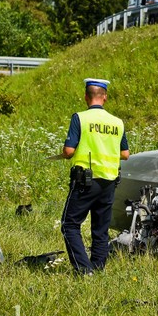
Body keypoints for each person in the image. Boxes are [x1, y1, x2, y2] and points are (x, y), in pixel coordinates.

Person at [60, 78, 129, 275]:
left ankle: (84, 270)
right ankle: (98, 268)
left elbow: (69, 150)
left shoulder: (80, 118)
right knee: (101, 228)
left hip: (85, 181)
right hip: (109, 181)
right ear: (105, 97)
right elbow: (125, 154)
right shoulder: (117, 122)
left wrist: (67, 154)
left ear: (85, 97)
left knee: (69, 224)